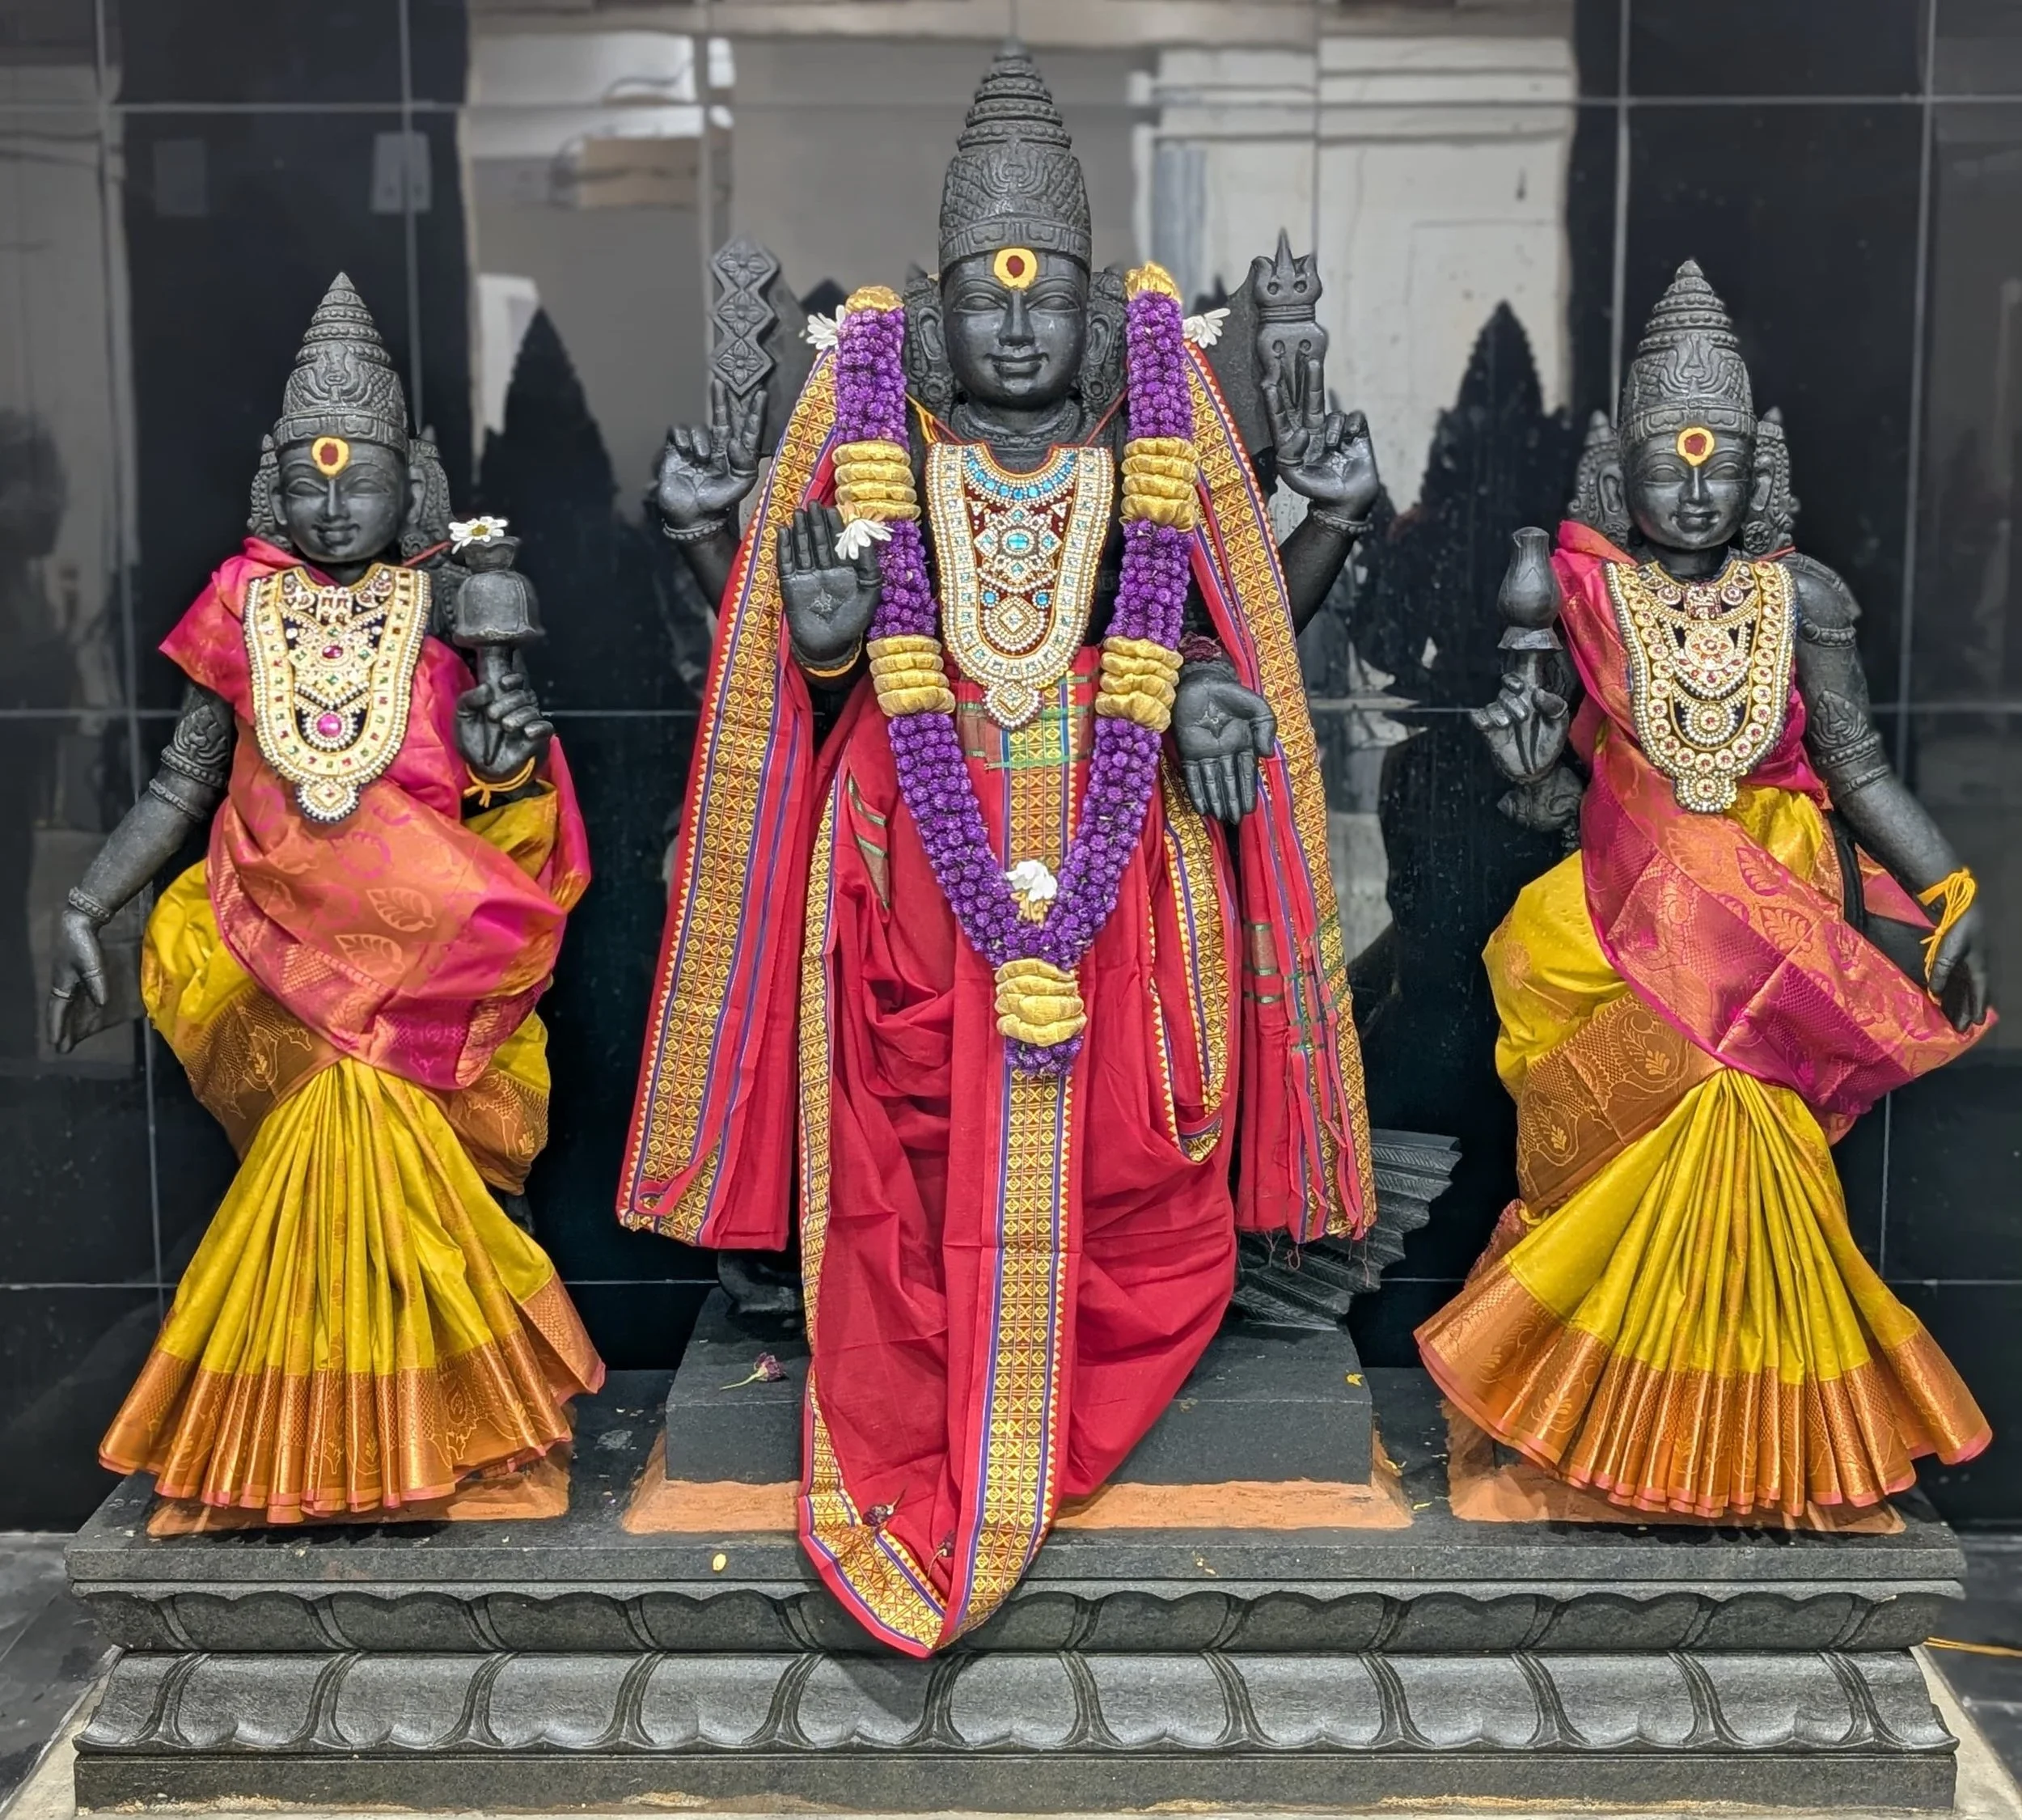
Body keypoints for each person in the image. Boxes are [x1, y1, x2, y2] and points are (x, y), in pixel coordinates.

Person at [623, 47, 1381, 1652]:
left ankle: (1074, 1345)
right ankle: (918, 1339)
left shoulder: (1144, 448)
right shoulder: (882, 450)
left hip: (1115, 849)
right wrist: (822, 635)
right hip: (913, 840)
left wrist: (1221, 671)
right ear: (936, 310)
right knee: (901, 1119)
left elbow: (1214, 627)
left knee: (1128, 1130)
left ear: (1097, 314)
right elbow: (798, 663)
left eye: (1047, 299)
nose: (1019, 330)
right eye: (987, 298)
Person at [1418, 260, 1994, 1522]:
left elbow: (1858, 766)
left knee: (1747, 1126)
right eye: (1668, 464)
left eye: (1719, 464)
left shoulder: (1805, 597)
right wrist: (1526, 767)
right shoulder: (1582, 590)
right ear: (1619, 466)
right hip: (1632, 905)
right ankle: (1606, 1441)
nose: (1692, 489)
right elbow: (1542, 791)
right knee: (1634, 1129)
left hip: (1770, 912)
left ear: (1758, 469)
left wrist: (1952, 888)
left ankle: (1746, 1455)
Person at [49, 275, 603, 1522]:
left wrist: (504, 760)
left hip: (418, 963)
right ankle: (312, 1448)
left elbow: (499, 796)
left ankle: (434, 1438)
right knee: (337, 1134)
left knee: (386, 1141)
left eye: (360, 480)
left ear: (412, 484)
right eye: (310, 480)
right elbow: (183, 783)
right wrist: (89, 899)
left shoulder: (452, 605)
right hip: (271, 949)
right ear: (273, 485)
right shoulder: (240, 607)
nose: (337, 504)